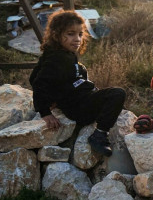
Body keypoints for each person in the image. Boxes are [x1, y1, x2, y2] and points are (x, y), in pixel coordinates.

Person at [30, 10, 126, 156]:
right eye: (70, 34)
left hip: (83, 98)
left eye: (80, 34)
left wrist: (54, 97)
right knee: (118, 94)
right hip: (79, 108)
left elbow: (33, 76)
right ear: (56, 35)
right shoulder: (56, 58)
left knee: (108, 94)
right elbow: (39, 82)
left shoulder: (62, 55)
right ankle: (99, 135)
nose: (77, 39)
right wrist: (45, 112)